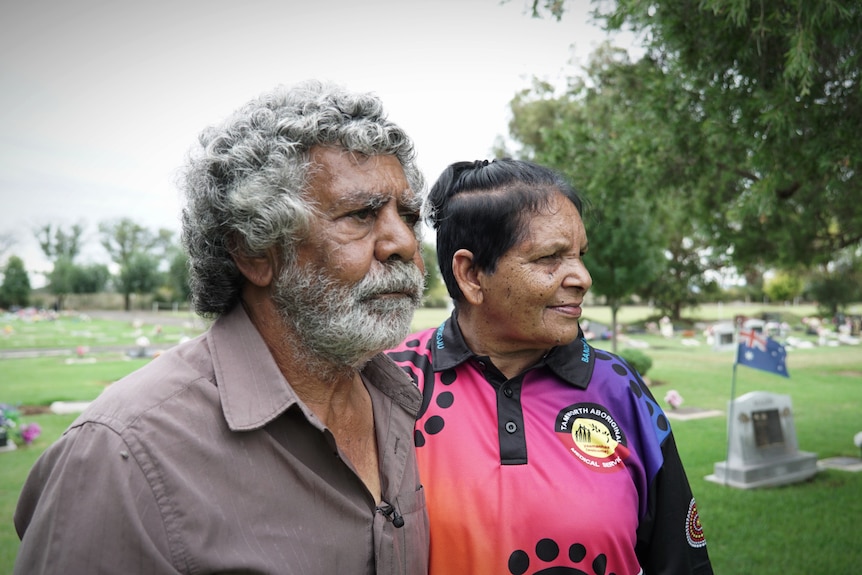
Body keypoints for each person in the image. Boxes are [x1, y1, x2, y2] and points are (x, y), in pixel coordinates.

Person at [14, 81, 430, 574]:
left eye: (407, 214)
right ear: (254, 252)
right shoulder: (123, 451)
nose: (404, 241)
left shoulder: (397, 399)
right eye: (360, 215)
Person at [387, 159, 713, 574]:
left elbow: (681, 563)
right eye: (550, 258)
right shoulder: (392, 383)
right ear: (470, 275)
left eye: (579, 255)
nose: (582, 277)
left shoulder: (618, 388)